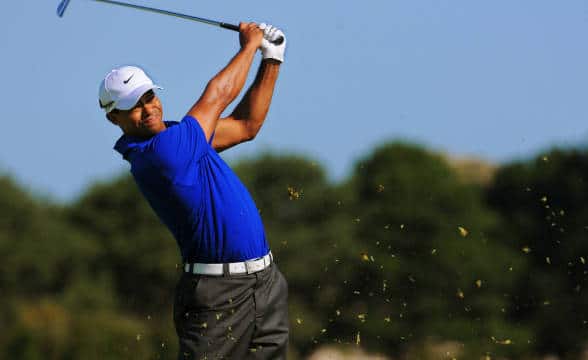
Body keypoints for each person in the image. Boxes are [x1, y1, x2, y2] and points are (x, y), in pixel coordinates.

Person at [98, 22, 289, 359]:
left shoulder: (182, 139)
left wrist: (272, 59)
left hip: (266, 282)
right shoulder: (164, 153)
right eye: (134, 105)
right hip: (219, 296)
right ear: (114, 118)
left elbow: (247, 126)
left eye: (149, 96)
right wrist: (250, 45)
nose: (149, 108)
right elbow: (217, 94)